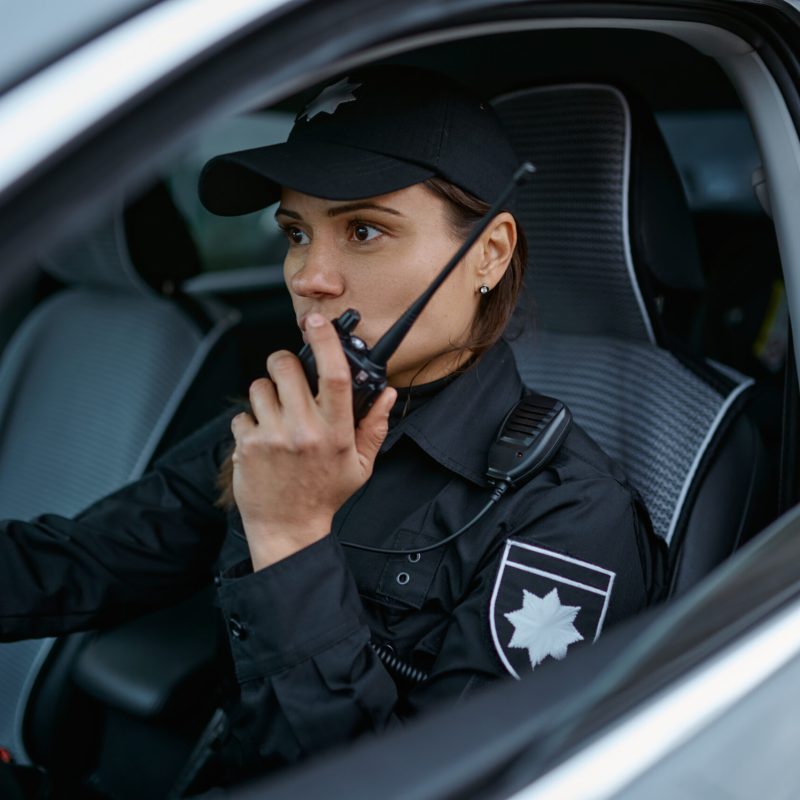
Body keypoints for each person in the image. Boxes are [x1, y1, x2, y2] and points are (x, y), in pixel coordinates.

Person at [0, 66, 665, 789]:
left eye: (364, 230)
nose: (308, 276)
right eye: (294, 232)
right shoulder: (292, 423)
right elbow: (83, 561)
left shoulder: (568, 518)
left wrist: (290, 540)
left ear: (489, 253)